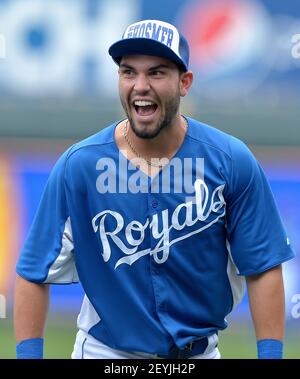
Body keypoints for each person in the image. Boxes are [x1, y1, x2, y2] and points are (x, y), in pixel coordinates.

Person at [14, 19, 295, 360]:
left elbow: (263, 266)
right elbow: (33, 271)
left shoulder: (229, 161)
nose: (140, 85)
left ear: (185, 83)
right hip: (106, 355)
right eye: (128, 72)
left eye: (157, 73)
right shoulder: (80, 166)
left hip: (198, 355)